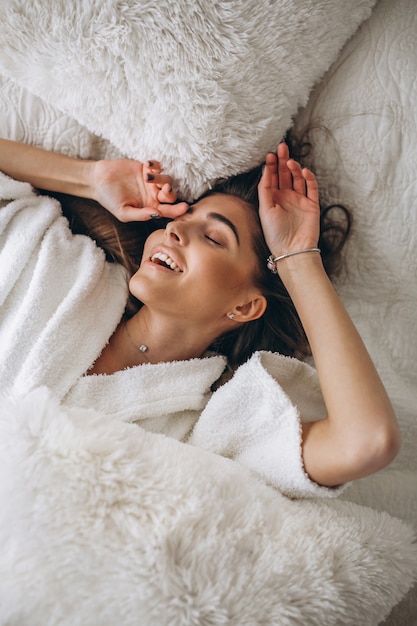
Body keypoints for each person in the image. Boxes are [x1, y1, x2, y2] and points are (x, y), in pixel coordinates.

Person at [0, 137, 400, 498]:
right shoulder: (53, 263)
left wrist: (296, 256)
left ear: (244, 306)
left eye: (213, 237)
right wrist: (89, 179)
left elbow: (366, 441)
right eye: (181, 219)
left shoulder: (213, 425)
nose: (174, 231)